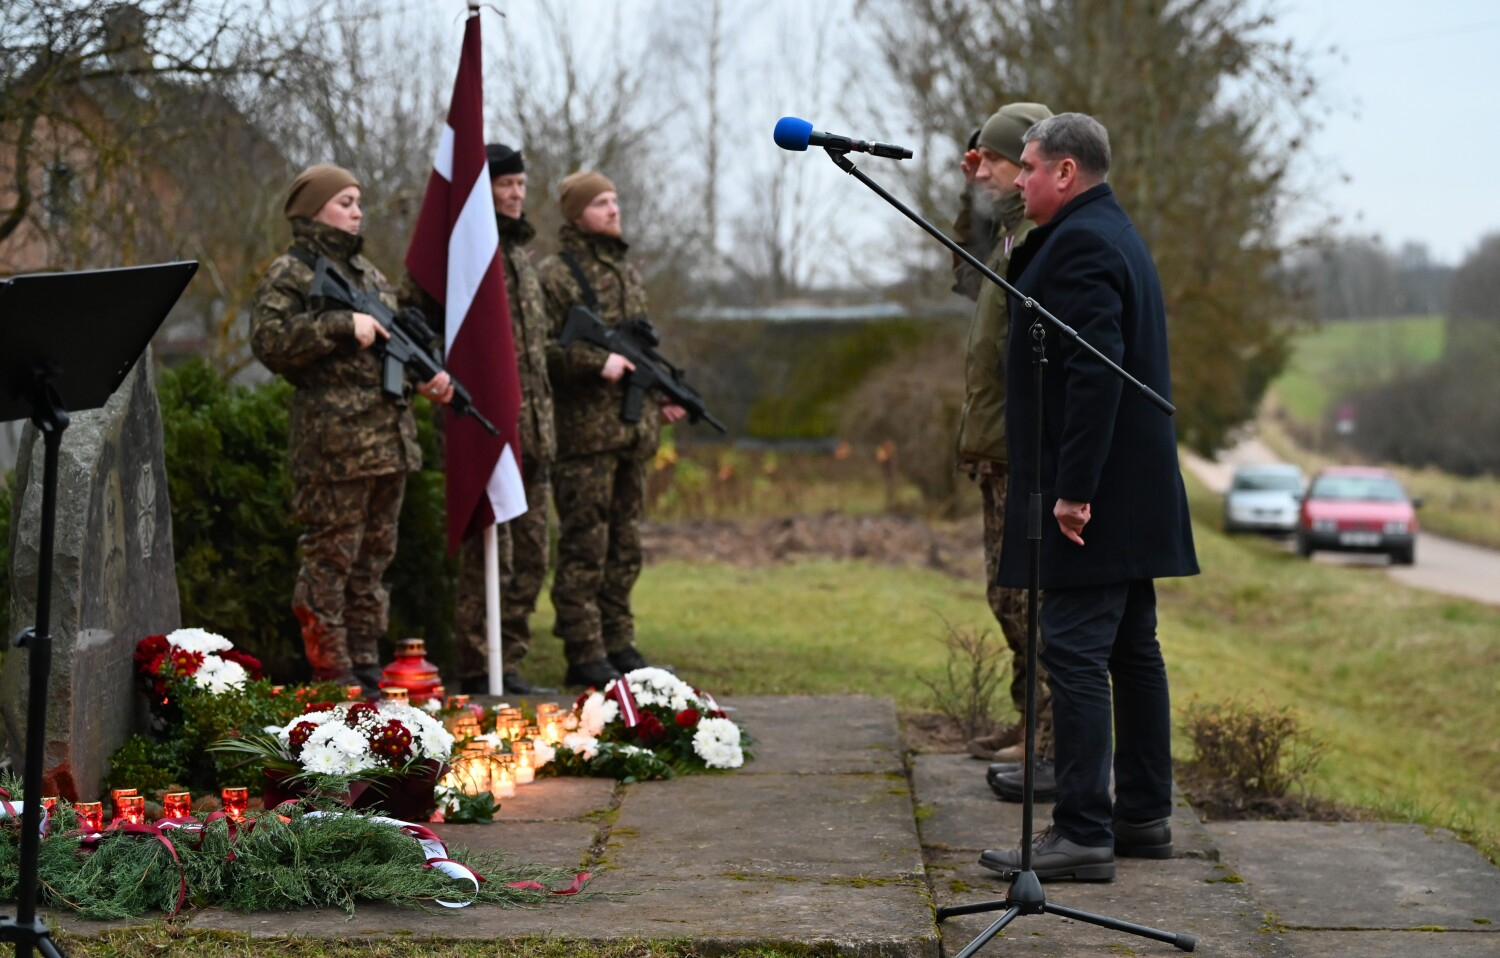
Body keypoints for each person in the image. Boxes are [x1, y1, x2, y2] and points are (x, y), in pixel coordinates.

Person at [978, 114, 1199, 882]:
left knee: (1073, 651)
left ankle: (1081, 833)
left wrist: (1070, 493)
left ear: (1065, 172)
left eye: (1030, 168)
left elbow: (1097, 371)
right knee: (1134, 650)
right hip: (1132, 489)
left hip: (1095, 496)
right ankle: (1142, 815)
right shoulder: (1111, 231)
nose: (1021, 179)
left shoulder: (1079, 244)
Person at [250, 164, 453, 693]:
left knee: (372, 564)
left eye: (358, 201)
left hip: (387, 442)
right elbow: (269, 342)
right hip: (334, 446)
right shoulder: (290, 272)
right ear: (312, 209)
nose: (357, 211)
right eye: (344, 201)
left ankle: (366, 661)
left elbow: (386, 355)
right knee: (330, 558)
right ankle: (332, 670)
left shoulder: (370, 275)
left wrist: (423, 379)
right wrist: (342, 324)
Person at [401, 144, 558, 695]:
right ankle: (478, 665)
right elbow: (415, 320)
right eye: (505, 184)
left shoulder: (521, 258)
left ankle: (509, 662)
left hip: (535, 431)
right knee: (490, 557)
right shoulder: (465, 254)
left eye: (521, 184)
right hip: (488, 430)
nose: (516, 194)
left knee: (533, 557)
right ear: (481, 191)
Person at [538, 171, 686, 689]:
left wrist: (661, 391)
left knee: (625, 545)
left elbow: (638, 350)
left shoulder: (625, 270)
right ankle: (584, 649)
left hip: (630, 434)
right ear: (577, 213)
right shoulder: (555, 276)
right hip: (584, 439)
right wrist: (593, 362)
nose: (613, 209)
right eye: (601, 202)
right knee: (585, 545)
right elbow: (540, 354)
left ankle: (619, 643)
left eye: (615, 200)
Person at [952, 102, 1057, 768]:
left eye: (991, 160)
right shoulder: (1005, 241)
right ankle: (1032, 725)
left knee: (1027, 600)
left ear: (1029, 165)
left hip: (1023, 451)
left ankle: (1051, 738)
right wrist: (971, 188)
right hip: (996, 446)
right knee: (1005, 595)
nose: (982, 172)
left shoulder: (1040, 238)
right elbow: (963, 274)